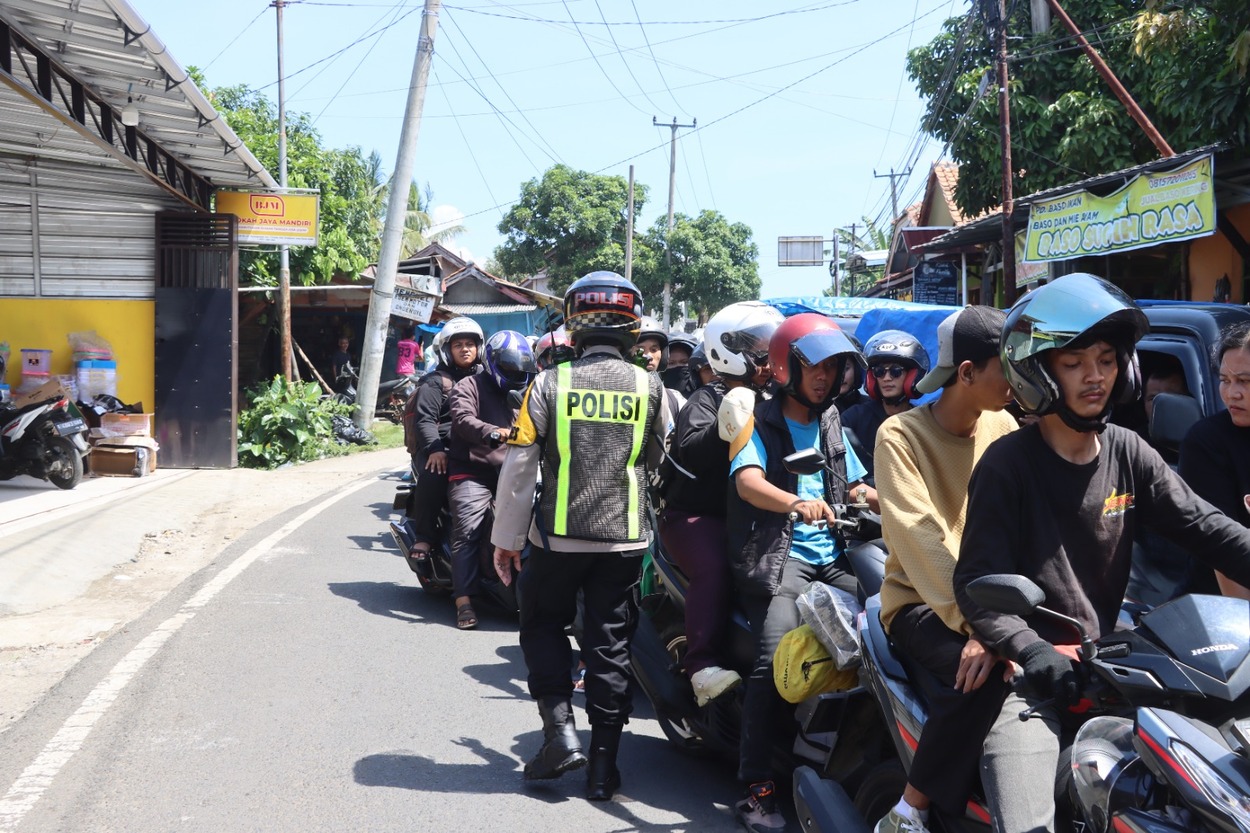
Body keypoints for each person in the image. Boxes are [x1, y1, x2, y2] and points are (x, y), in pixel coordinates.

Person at [953, 273, 1250, 833]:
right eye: (1074, 362)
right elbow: (978, 586)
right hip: (1028, 683)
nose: (1096, 376)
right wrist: (1032, 649)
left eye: (1108, 359)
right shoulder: (1006, 466)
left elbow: (1207, 528)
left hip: (1109, 667)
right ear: (1039, 371)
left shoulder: (1127, 451)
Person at [491, 272, 670, 801]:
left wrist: (506, 538)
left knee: (542, 623)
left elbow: (521, 467)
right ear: (632, 328)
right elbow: (662, 460)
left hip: (557, 540)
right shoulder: (652, 387)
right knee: (610, 646)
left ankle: (559, 733)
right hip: (625, 541)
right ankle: (601, 769)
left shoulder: (547, 384)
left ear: (573, 325)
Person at [726, 312, 878, 833]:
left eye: (834, 367)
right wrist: (794, 503)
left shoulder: (832, 420)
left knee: (888, 629)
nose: (825, 376)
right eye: (815, 365)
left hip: (835, 555)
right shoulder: (760, 419)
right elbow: (746, 481)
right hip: (779, 558)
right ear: (785, 366)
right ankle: (756, 787)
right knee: (773, 663)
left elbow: (854, 481)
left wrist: (889, 498)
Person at [870, 306, 1017, 833]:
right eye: (1007, 365)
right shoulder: (899, 436)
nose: (1018, 378)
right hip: (918, 603)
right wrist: (982, 626)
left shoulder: (1005, 425)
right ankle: (910, 809)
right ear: (968, 373)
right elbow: (921, 540)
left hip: (997, 603)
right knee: (983, 676)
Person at [659, 301, 784, 707]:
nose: (767, 358)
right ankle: (701, 665)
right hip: (697, 515)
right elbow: (691, 451)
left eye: (771, 346)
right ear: (728, 349)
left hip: (762, 514)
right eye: (758, 348)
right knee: (714, 568)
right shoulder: (708, 398)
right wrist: (721, 430)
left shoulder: (780, 399)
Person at [446, 330, 535, 630]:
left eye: (521, 372)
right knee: (468, 531)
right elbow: (462, 419)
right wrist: (494, 432)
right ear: (494, 362)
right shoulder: (467, 386)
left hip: (514, 472)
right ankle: (464, 600)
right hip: (473, 471)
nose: (516, 376)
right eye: (510, 370)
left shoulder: (525, 393)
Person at [1179, 321, 1250, 600]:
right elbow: (1222, 550)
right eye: (1225, 380)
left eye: (1245, 381)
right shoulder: (1207, 442)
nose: (1232, 393)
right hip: (1220, 611)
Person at [405, 317, 484, 562]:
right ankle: (424, 536)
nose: (465, 349)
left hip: (476, 445)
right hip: (441, 448)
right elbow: (424, 420)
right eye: (458, 344)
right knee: (435, 474)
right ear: (447, 350)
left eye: (470, 344)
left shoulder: (486, 378)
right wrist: (435, 449)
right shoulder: (435, 381)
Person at [841, 329, 928, 484]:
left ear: (911, 376)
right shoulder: (854, 417)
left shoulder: (924, 421)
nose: (886, 378)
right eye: (879, 372)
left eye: (895, 371)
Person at [635, 317, 686, 413]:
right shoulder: (619, 391)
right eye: (641, 350)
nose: (649, 356)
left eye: (654, 350)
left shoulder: (675, 399)